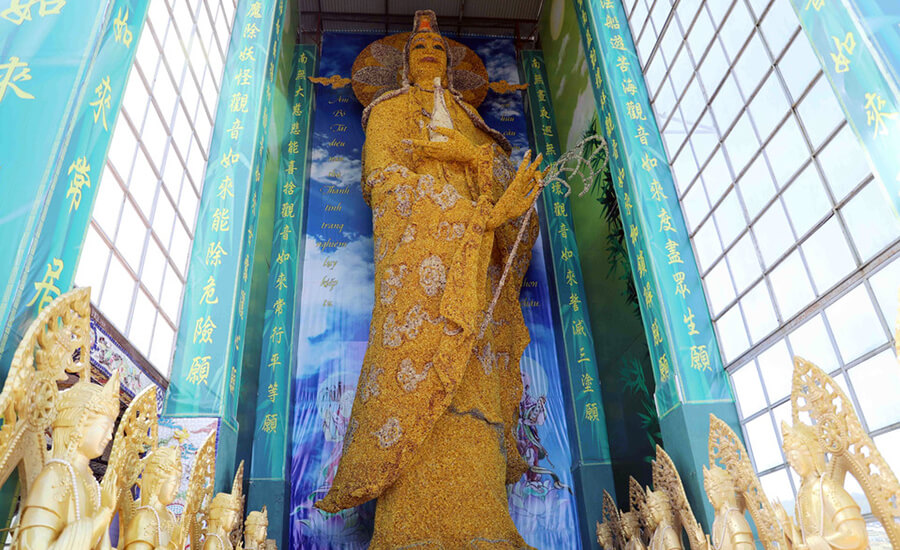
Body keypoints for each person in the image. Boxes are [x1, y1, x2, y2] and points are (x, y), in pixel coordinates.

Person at [315, 9, 545, 548]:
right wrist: (471, 216)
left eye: (439, 50)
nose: (430, 55)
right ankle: (404, 533)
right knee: (414, 371)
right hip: (420, 268)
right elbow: (383, 184)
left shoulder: (469, 120)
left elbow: (507, 191)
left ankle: (487, 528)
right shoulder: (390, 111)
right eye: (420, 50)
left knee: (476, 383)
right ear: (403, 62)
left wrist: (467, 158)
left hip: (475, 267)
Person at [15, 373, 120, 550]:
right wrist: (103, 517)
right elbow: (34, 546)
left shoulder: (93, 484)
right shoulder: (55, 476)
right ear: (79, 423)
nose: (110, 436)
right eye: (104, 427)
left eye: (111, 429)